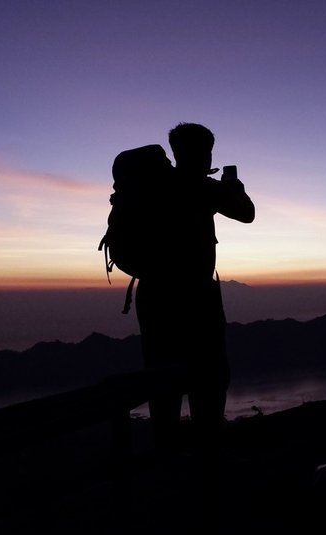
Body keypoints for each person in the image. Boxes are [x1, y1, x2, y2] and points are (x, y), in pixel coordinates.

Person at [135, 122, 255, 450]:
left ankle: (166, 462)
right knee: (209, 382)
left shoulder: (153, 186)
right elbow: (247, 214)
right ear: (205, 153)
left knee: (163, 384)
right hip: (198, 300)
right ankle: (207, 463)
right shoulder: (205, 188)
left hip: (154, 299)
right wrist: (235, 187)